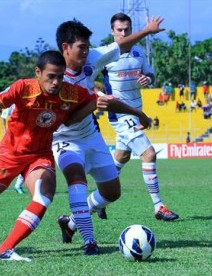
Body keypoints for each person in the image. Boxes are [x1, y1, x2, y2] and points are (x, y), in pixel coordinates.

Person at [0, 51, 96, 262]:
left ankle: (5, 249)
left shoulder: (71, 92)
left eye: (60, 76)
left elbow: (95, 99)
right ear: (38, 72)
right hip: (10, 154)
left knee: (44, 195)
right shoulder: (23, 88)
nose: (56, 82)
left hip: (40, 156)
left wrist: (132, 112)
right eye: (50, 76)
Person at [53, 16, 164, 255]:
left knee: (112, 192)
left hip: (91, 134)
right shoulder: (56, 77)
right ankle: (89, 241)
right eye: (81, 47)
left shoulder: (91, 57)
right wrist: (95, 101)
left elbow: (121, 46)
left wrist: (146, 31)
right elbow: (71, 117)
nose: (86, 52)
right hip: (64, 139)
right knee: (77, 184)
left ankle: (70, 222)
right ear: (66, 48)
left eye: (87, 46)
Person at [102, 12, 178, 221]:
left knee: (122, 157)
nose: (123, 33)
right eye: (119, 30)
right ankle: (158, 206)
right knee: (149, 153)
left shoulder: (138, 52)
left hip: (136, 111)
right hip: (120, 114)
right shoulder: (106, 55)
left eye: (127, 29)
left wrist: (148, 78)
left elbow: (151, 74)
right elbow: (89, 79)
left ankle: (101, 199)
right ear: (112, 31)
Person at [1, 104, 25, 194]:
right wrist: (4, 131)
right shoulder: (13, 103)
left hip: (27, 137)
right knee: (11, 161)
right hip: (14, 137)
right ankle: (0, 178)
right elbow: (3, 117)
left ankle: (18, 185)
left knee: (27, 161)